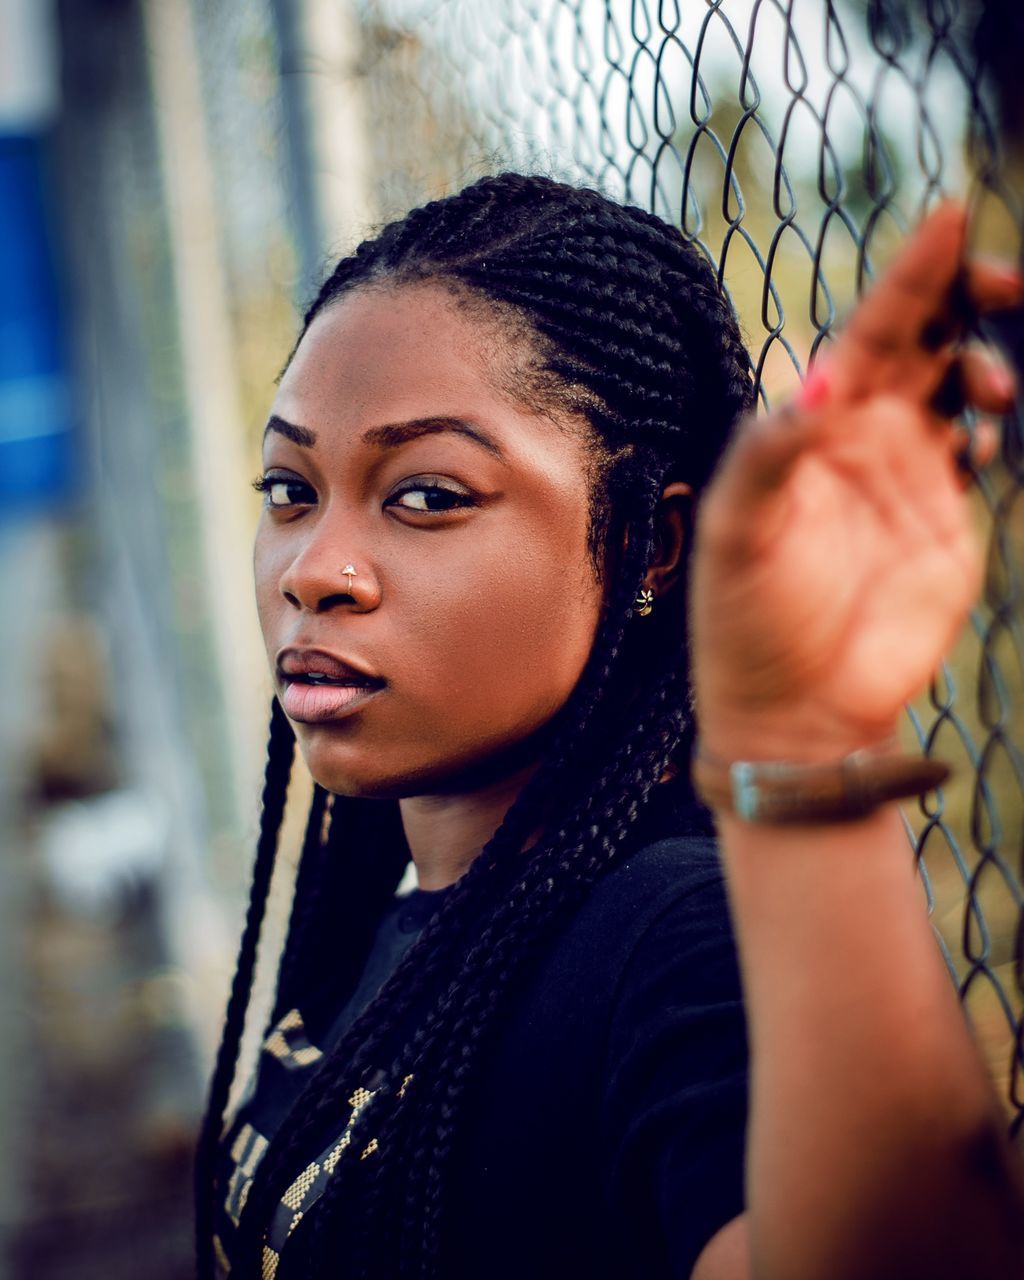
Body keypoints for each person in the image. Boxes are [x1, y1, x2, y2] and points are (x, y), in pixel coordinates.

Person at [193, 173, 1024, 1280]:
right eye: (289, 488)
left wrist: (800, 728)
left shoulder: (679, 945)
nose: (314, 570)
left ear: (650, 546)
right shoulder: (390, 920)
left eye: (427, 495)